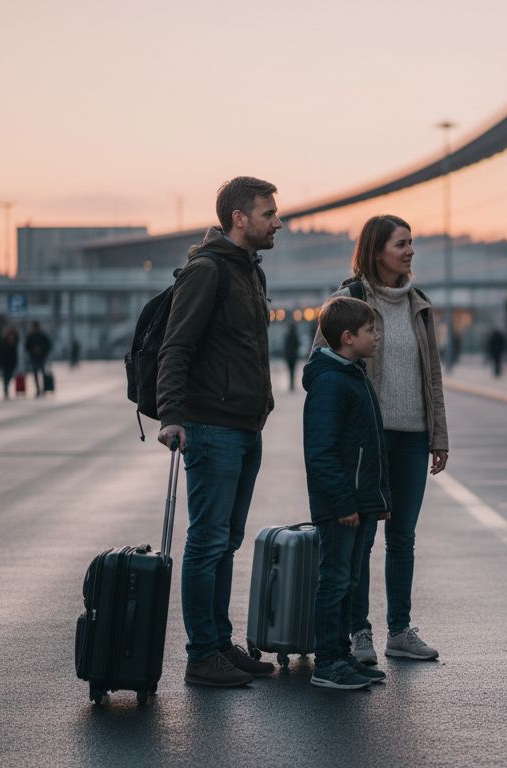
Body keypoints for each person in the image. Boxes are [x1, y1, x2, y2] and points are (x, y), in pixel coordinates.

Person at [155, 176, 281, 687]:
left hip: (245, 425)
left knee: (226, 541)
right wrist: (171, 415)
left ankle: (220, 644)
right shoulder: (207, 270)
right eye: (269, 213)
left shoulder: (249, 270)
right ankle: (201, 654)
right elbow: (176, 346)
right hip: (212, 427)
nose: (277, 222)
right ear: (239, 218)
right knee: (207, 542)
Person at [312, 214, 449, 665]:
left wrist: (439, 434)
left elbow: (432, 374)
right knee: (361, 540)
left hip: (413, 437)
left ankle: (400, 631)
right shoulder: (348, 300)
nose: (410, 251)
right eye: (401, 244)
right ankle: (359, 632)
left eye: (411, 242)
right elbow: (320, 365)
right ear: (376, 251)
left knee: (403, 538)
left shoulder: (419, 304)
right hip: (365, 442)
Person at [303, 296, 391, 690]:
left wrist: (378, 500)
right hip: (341, 505)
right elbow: (320, 452)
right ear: (347, 337)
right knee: (335, 580)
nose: (376, 337)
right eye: (370, 330)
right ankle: (327, 662)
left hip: (359, 501)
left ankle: (342, 656)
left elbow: (370, 446)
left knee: (350, 581)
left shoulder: (354, 375)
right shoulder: (330, 383)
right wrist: (342, 502)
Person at [24, 322, 52, 396]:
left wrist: (41, 350)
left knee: (43, 374)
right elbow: (27, 347)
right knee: (35, 374)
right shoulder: (30, 337)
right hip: (34, 358)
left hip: (42, 357)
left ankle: (43, 388)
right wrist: (33, 350)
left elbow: (48, 345)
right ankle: (38, 389)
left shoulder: (42, 336)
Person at [0, 326, 19, 399]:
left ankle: (6, 386)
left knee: (9, 375)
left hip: (11, 362)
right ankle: (6, 388)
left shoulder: (14, 342)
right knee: (5, 376)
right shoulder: (2, 341)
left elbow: (14, 353)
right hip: (4, 362)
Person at [281, 321, 301, 393]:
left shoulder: (287, 336)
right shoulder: (295, 336)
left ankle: (291, 385)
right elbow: (298, 345)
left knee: (290, 371)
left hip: (289, 356)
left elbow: (285, 347)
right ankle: (292, 385)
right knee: (293, 371)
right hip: (294, 356)